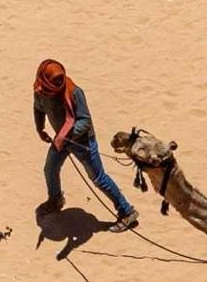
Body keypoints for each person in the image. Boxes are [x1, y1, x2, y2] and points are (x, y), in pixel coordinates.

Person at [33, 58, 138, 233]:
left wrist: (69, 136)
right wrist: (40, 128)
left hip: (82, 142)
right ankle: (55, 199)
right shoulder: (41, 90)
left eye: (60, 79)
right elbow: (37, 108)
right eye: (54, 81)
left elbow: (85, 120)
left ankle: (127, 212)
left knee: (98, 179)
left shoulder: (74, 92)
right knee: (50, 169)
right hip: (62, 140)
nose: (59, 83)